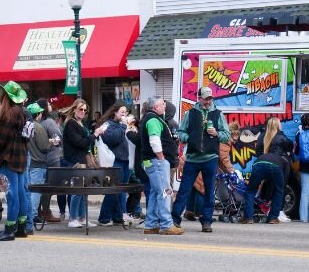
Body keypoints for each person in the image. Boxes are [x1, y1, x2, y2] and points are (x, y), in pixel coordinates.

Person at [174, 86, 230, 233]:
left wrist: (217, 133)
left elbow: (227, 135)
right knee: (184, 190)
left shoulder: (218, 114)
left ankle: (206, 222)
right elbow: (181, 132)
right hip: (192, 158)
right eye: (205, 98)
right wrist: (189, 139)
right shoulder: (190, 114)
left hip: (210, 158)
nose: (208, 101)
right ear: (199, 98)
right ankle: (175, 220)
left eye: (210, 98)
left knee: (209, 190)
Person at [0, 82, 30, 241]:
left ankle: (9, 229)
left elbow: (1, 139)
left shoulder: (9, 113)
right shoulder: (23, 112)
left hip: (8, 158)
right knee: (21, 193)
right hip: (21, 157)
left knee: (11, 194)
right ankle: (21, 227)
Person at [141, 96, 183, 235]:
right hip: (156, 161)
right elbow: (154, 141)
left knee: (154, 192)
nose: (165, 106)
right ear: (155, 107)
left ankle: (151, 224)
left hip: (150, 161)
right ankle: (166, 224)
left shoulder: (150, 118)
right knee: (165, 192)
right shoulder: (153, 120)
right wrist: (162, 158)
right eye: (162, 104)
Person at [62, 98, 105, 228]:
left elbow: (85, 142)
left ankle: (81, 217)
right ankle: (73, 218)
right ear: (74, 109)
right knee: (77, 190)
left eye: (85, 110)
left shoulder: (81, 124)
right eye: (80, 109)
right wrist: (94, 135)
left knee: (83, 191)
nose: (83, 112)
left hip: (83, 160)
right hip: (75, 161)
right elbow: (80, 143)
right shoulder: (71, 123)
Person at [241, 117, 293, 224]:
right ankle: (273, 217)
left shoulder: (262, 136)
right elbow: (290, 146)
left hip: (260, 162)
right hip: (276, 165)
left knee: (251, 190)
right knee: (279, 190)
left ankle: (248, 217)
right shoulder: (281, 136)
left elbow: (258, 151)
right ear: (278, 125)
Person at [97, 102, 134, 226]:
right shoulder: (108, 125)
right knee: (113, 190)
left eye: (126, 112)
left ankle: (118, 217)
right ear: (115, 112)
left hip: (126, 160)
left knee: (121, 190)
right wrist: (123, 126)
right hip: (115, 160)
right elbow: (112, 139)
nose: (124, 114)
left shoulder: (122, 125)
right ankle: (104, 218)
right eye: (122, 112)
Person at [26, 102, 60, 224]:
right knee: (36, 191)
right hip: (38, 163)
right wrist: (50, 142)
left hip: (28, 163)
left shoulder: (25, 126)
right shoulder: (37, 127)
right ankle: (34, 215)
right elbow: (44, 146)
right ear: (38, 114)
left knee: (29, 190)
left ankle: (28, 214)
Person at [37, 99, 62, 222]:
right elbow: (58, 138)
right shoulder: (49, 122)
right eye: (48, 104)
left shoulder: (37, 122)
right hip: (52, 158)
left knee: (40, 187)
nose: (50, 105)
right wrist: (55, 142)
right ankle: (46, 211)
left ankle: (40, 211)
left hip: (39, 159)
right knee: (49, 187)